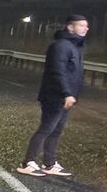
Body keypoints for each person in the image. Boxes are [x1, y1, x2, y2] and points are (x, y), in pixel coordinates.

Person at [19, 14, 88, 178]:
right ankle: (28, 162)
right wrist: (66, 93)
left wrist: (71, 95)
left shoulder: (74, 46)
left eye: (86, 26)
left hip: (66, 97)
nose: (85, 28)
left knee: (56, 130)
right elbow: (57, 72)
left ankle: (49, 163)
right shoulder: (61, 46)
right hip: (55, 96)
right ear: (70, 27)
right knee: (46, 128)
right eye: (81, 25)